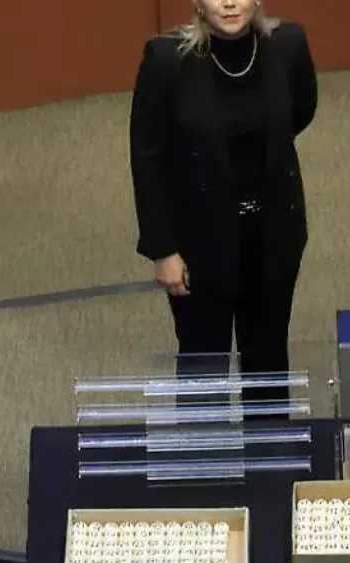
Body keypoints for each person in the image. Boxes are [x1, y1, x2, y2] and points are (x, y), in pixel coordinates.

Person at [129, 0, 317, 407]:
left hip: (273, 235)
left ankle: (268, 449)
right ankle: (203, 449)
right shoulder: (166, 60)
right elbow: (147, 158)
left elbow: (300, 112)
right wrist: (162, 249)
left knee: (267, 359)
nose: (229, 3)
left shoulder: (288, 45)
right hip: (199, 242)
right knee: (203, 365)